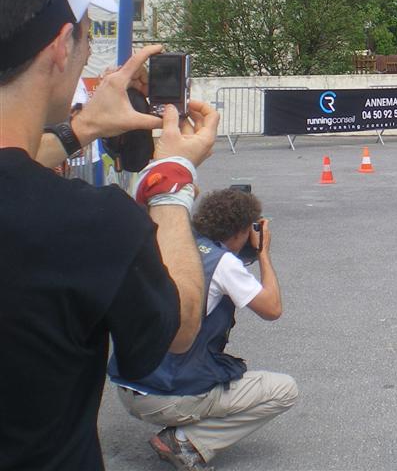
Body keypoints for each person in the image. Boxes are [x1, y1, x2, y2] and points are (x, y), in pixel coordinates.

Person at [0, 0, 218, 471]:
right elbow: (181, 323)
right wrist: (171, 179)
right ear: (59, 47)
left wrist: (81, 129)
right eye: (87, 32)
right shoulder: (87, 224)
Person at [109, 187, 296, 470]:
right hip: (164, 393)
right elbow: (272, 308)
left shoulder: (177, 243)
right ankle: (186, 440)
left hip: (129, 383)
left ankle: (184, 421)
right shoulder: (223, 263)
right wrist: (263, 253)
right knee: (284, 389)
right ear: (240, 231)